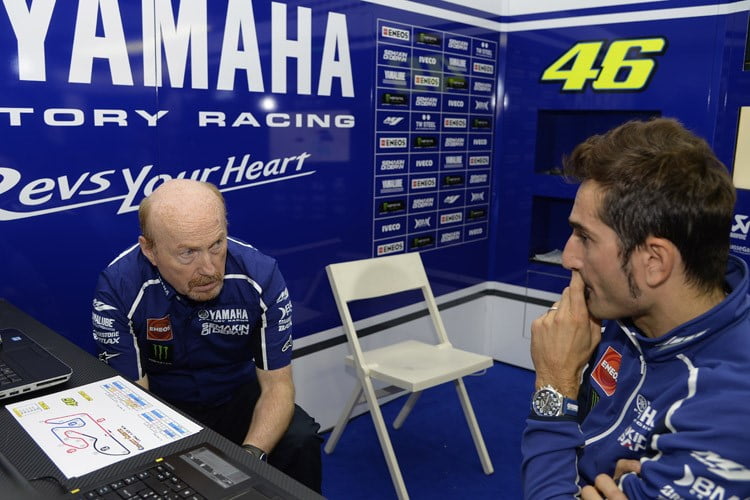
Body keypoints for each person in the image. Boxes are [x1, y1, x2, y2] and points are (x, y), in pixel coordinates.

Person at [521, 117, 750, 499]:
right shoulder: (626, 312)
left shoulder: (731, 409)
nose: (568, 257)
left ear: (654, 262)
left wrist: (554, 385)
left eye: (584, 236)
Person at [92, 179, 323, 492]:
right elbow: (135, 401)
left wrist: (249, 459)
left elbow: (278, 387)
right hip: (162, 402)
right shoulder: (119, 287)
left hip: (235, 394)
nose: (210, 269)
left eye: (216, 244)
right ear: (150, 250)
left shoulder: (260, 274)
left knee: (300, 438)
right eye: (187, 252)